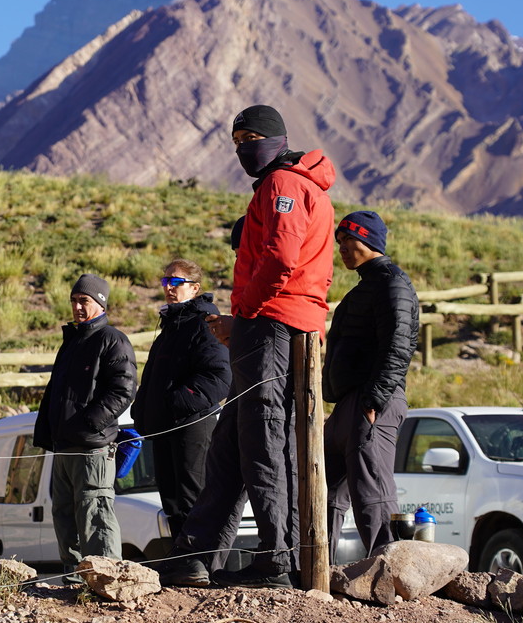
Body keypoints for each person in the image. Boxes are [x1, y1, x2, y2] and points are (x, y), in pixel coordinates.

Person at [161, 104, 336, 589]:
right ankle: (196, 554)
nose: (243, 147)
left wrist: (246, 315)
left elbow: (281, 256)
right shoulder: (295, 185)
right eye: (236, 139)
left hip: (274, 325)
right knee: (232, 442)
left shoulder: (283, 184)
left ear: (276, 139)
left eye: (251, 137)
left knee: (264, 438)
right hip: (275, 324)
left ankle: (277, 558)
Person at [323, 211, 419, 560]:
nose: (343, 249)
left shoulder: (393, 283)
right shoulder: (367, 285)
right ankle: (317, 573)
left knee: (372, 493)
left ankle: (391, 576)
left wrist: (374, 399)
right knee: (324, 492)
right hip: (350, 404)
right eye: (340, 242)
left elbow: (399, 343)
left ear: (370, 242)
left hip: (372, 401)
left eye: (350, 241)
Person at [34, 273, 137, 579]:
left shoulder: (112, 340)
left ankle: (107, 580)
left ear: (101, 304)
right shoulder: (72, 342)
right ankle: (76, 578)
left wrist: (90, 423)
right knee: (64, 517)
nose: (78, 307)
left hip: (92, 448)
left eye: (85, 301)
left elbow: (123, 389)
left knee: (95, 514)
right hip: (63, 447)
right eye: (74, 300)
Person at [132, 259, 231, 540]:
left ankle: (198, 565)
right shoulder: (171, 327)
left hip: (192, 425)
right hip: (166, 427)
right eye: (165, 281)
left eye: (176, 282)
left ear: (195, 288)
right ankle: (180, 564)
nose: (169, 288)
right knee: (172, 502)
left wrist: (175, 403)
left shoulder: (205, 323)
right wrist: (144, 411)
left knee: (193, 499)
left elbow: (219, 377)